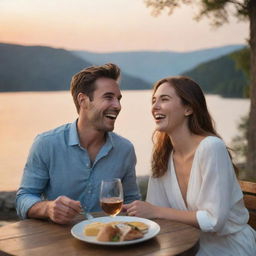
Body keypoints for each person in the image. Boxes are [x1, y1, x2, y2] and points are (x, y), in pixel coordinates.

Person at [123, 76, 256, 255]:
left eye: (164, 99)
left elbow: (213, 220)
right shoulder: (162, 156)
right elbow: (155, 213)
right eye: (154, 100)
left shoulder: (211, 147)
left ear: (188, 108)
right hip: (183, 244)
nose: (155, 106)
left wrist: (155, 210)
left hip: (226, 246)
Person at [16, 63, 141, 224]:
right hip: (57, 242)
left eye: (118, 99)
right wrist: (48, 208)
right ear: (83, 100)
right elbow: (23, 198)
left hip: (108, 242)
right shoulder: (46, 144)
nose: (117, 106)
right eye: (108, 97)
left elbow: (131, 201)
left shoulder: (125, 149)